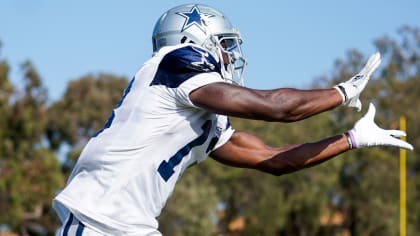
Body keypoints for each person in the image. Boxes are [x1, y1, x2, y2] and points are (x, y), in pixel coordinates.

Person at [52, 3, 414, 236]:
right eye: (224, 45)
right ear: (196, 39)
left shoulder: (206, 117)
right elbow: (275, 107)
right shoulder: (178, 59)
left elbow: (275, 161)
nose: (230, 55)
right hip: (97, 221)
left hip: (134, 228)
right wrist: (342, 93)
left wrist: (350, 139)